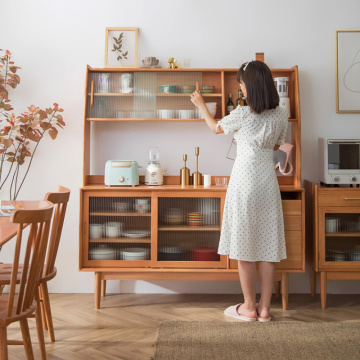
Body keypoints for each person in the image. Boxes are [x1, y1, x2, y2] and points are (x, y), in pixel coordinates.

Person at [190, 60, 288, 322]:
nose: (241, 89)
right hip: (268, 181)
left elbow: (214, 128)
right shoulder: (280, 113)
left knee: (245, 246)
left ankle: (248, 307)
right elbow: (280, 142)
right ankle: (265, 310)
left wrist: (201, 106)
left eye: (242, 84)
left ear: (251, 86)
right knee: (268, 247)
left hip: (244, 182)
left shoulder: (243, 114)